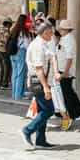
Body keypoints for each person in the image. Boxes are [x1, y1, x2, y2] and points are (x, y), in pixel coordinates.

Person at [21, 21, 56, 150]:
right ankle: (27, 130)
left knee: (42, 110)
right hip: (39, 83)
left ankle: (41, 140)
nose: (52, 35)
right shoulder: (38, 46)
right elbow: (39, 68)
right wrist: (46, 87)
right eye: (51, 32)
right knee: (49, 110)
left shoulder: (43, 44)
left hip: (42, 82)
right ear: (45, 32)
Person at [57, 20, 80, 122]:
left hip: (66, 70)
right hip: (62, 69)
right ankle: (74, 113)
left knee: (69, 93)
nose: (60, 30)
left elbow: (69, 57)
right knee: (67, 93)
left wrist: (66, 71)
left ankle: (79, 112)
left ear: (66, 29)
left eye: (61, 28)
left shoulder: (69, 39)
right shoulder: (64, 38)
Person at [9, 14, 32, 100]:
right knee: (21, 74)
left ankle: (14, 94)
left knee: (14, 74)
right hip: (21, 52)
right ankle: (19, 95)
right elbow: (27, 44)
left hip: (13, 53)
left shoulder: (14, 30)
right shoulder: (24, 31)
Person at [0, 17, 13, 90]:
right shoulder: (7, 32)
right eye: (10, 24)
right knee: (7, 67)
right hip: (3, 51)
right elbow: (7, 42)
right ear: (8, 24)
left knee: (2, 68)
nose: (11, 26)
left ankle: (1, 84)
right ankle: (4, 84)